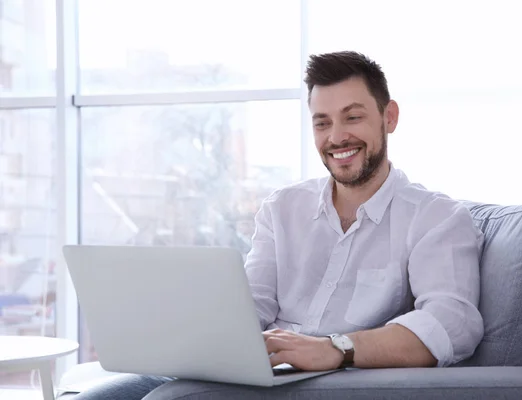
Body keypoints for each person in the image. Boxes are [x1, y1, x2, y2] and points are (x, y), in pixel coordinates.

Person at [73, 51, 484, 399]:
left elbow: (452, 324)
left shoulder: (436, 218)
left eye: (353, 117)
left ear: (388, 117)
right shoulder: (282, 208)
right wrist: (193, 335)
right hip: (257, 373)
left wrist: (335, 348)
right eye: (322, 122)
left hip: (332, 384)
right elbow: (253, 304)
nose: (337, 137)